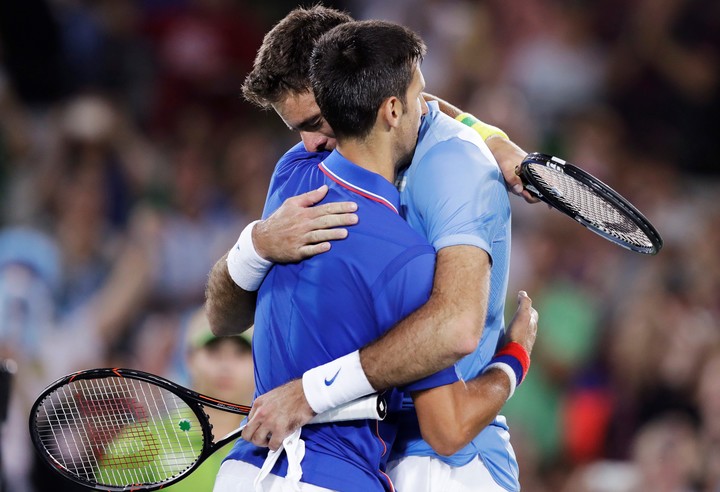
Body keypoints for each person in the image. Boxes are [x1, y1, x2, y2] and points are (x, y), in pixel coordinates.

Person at [206, 5, 537, 491]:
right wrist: (516, 358)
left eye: (317, 120)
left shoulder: (295, 177)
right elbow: (454, 346)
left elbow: (413, 104)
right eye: (295, 127)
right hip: (390, 462)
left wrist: (487, 136)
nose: (310, 143)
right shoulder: (401, 254)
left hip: (260, 469)